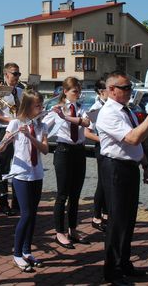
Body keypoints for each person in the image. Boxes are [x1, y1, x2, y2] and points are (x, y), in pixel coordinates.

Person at [96, 71, 148, 284]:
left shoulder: (127, 110)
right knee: (117, 221)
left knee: (129, 219)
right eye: (125, 88)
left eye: (130, 87)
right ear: (112, 90)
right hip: (115, 168)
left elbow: (140, 138)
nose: (129, 91)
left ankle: (124, 263)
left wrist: (145, 165)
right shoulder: (108, 113)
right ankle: (112, 271)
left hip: (129, 167)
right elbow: (132, 138)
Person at [0, 89, 48, 272]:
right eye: (37, 105)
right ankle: (17, 253)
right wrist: (9, 137)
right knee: (26, 214)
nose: (41, 108)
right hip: (21, 175)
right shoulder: (14, 123)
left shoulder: (41, 125)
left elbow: (45, 149)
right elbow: (2, 148)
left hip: (37, 174)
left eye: (41, 105)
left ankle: (27, 251)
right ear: (27, 106)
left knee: (33, 215)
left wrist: (29, 136)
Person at [42, 76, 90, 249]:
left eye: (79, 91)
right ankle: (59, 232)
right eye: (74, 91)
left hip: (79, 152)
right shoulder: (57, 109)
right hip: (63, 151)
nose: (78, 94)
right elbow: (42, 127)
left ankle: (73, 229)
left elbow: (86, 122)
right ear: (65, 91)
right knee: (63, 194)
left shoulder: (80, 107)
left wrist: (67, 117)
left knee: (76, 194)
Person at [0, 62, 23, 216]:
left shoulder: (20, 91)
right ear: (6, 75)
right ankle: (3, 202)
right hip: (5, 131)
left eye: (18, 74)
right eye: (14, 74)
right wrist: (11, 121)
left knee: (18, 166)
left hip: (19, 131)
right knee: (4, 168)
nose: (17, 77)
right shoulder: (0, 92)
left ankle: (17, 202)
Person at [83, 79, 109, 231]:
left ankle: (106, 213)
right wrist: (104, 140)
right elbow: (88, 133)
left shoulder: (108, 105)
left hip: (109, 147)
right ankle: (96, 216)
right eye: (108, 89)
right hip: (101, 147)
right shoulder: (96, 108)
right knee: (102, 183)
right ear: (101, 92)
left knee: (107, 182)